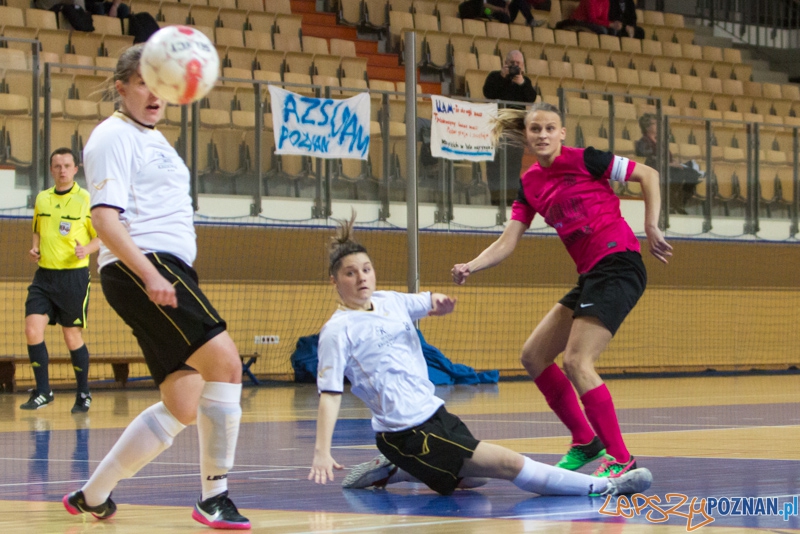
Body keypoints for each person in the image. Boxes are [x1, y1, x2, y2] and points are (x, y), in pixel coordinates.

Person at [308, 213, 653, 498]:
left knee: (477, 480)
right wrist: (322, 450)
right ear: (334, 281)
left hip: (435, 415)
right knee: (508, 464)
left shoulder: (390, 301)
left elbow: (427, 302)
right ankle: (606, 486)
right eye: (350, 273)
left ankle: (397, 470)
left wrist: (439, 305)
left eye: (365, 269)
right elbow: (329, 396)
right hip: (405, 432)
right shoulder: (338, 331)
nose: (361, 277)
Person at [61, 44, 250, 530]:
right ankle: (215, 497)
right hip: (144, 265)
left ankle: (94, 494)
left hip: (167, 268)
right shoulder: (111, 136)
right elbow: (104, 219)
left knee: (184, 404)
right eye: (144, 81)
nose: (153, 93)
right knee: (227, 365)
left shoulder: (158, 141)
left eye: (161, 83)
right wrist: (149, 273)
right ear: (122, 87)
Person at [451, 103, 672, 479]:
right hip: (590, 275)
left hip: (618, 264)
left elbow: (648, 174)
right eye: (535, 129)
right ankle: (586, 441)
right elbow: (508, 241)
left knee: (576, 362)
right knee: (533, 356)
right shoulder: (530, 184)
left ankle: (621, 460)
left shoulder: (588, 159)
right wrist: (472, 264)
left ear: (562, 132)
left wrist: (651, 226)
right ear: (527, 135)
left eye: (550, 128)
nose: (542, 135)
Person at [21, 147, 100, 413]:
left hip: (73, 278)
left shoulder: (86, 199)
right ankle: (43, 391)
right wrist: (35, 248)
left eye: (67, 166)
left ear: (76, 169)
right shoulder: (42, 199)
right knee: (32, 329)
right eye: (57, 166)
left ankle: (83, 392)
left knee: (71, 336)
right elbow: (37, 230)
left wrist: (87, 250)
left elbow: (102, 235)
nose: (62, 170)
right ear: (52, 169)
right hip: (44, 276)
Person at [483, 50, 538, 207]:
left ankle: (510, 203)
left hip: (515, 131)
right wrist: (503, 76)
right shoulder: (495, 77)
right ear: (505, 63)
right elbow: (488, 93)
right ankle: (495, 201)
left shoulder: (524, 81)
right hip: (496, 129)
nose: (514, 66)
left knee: (513, 168)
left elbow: (531, 98)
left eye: (518, 64)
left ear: (523, 67)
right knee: (494, 167)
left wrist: (521, 83)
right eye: (511, 63)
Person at [635, 113, 702, 215]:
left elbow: (668, 157)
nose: (658, 125)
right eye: (655, 123)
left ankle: (679, 202)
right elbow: (648, 159)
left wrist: (673, 163)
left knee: (692, 174)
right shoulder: (643, 142)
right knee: (674, 175)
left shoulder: (661, 142)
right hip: (654, 169)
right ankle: (672, 204)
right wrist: (669, 164)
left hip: (667, 168)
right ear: (647, 126)